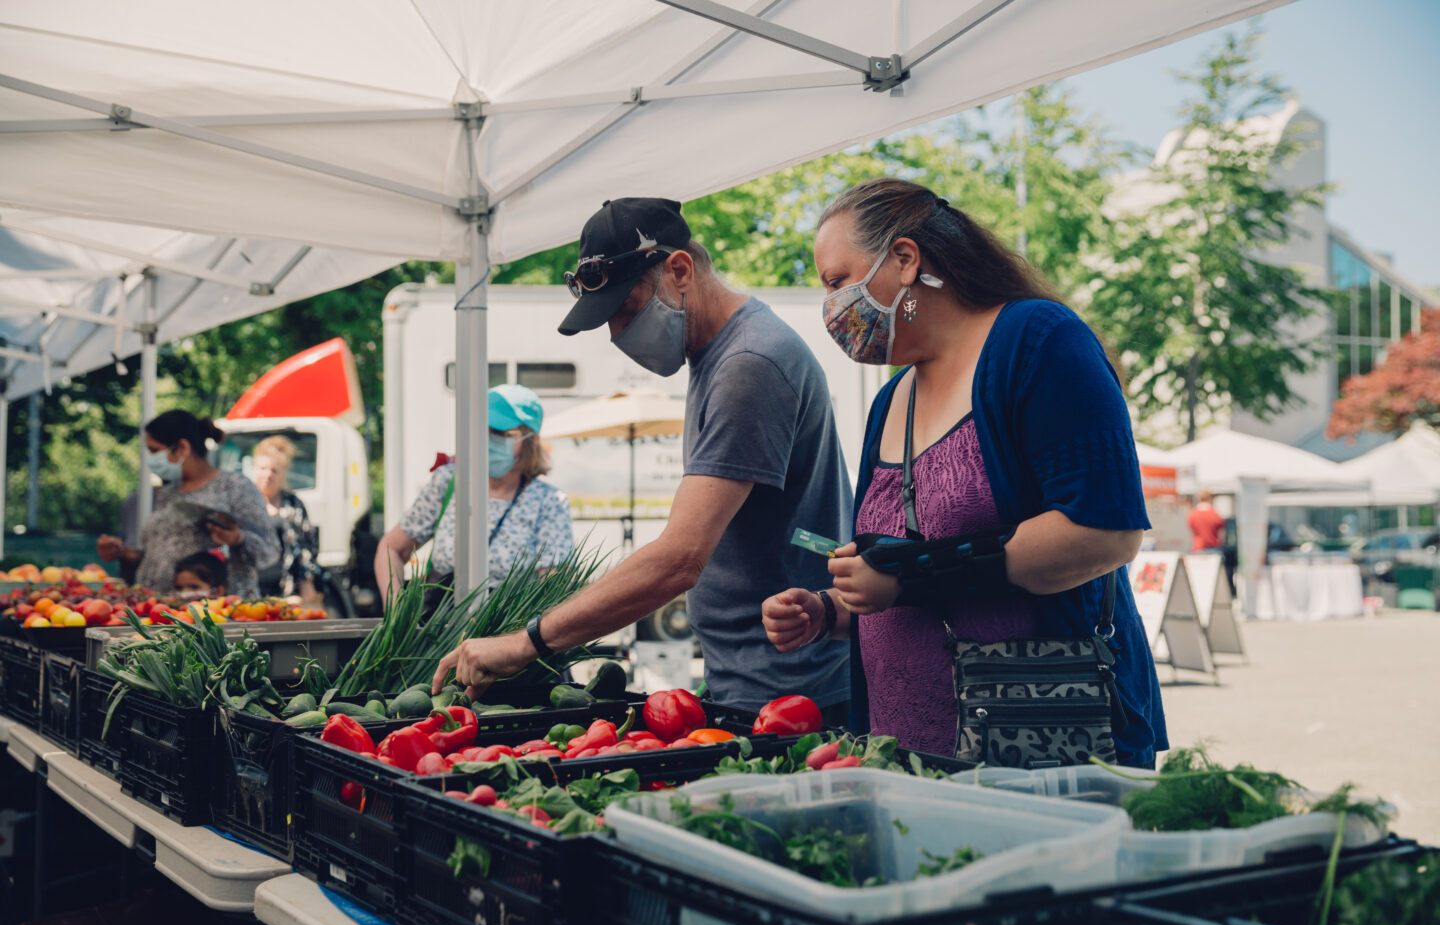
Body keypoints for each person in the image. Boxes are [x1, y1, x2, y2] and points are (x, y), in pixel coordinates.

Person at [759, 178, 1167, 767]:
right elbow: (909, 576)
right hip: (904, 760)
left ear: (904, 259)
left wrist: (908, 579)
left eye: (837, 281)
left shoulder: (1038, 341)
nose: (832, 308)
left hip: (1039, 757)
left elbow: (1104, 532)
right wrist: (832, 610)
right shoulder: (893, 397)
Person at [432, 198, 853, 718]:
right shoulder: (721, 354)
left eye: (625, 311)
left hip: (790, 693)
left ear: (680, 270)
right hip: (757, 677)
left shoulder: (749, 365)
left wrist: (526, 642)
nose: (618, 336)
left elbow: (679, 560)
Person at [375, 384, 574, 604]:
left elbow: (552, 587)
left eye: (501, 433)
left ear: (531, 441)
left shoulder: (549, 502)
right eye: (483, 430)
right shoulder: (449, 482)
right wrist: (396, 613)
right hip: (440, 632)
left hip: (506, 635)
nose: (489, 440)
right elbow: (391, 548)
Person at [97, 410, 279, 597]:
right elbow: (160, 556)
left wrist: (237, 538)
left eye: (154, 450)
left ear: (182, 447)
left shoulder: (234, 487)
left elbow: (269, 551)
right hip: (162, 611)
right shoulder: (169, 493)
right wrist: (123, 552)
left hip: (217, 615)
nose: (150, 459)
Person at [251, 435, 322, 603]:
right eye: (263, 468)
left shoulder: (293, 504)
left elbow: (308, 548)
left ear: (283, 473)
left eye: (274, 470)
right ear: (254, 469)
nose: (268, 474)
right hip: (250, 589)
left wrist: (307, 582)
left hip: (288, 591)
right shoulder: (246, 503)